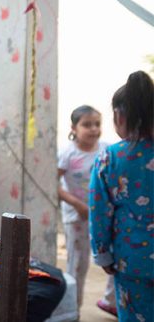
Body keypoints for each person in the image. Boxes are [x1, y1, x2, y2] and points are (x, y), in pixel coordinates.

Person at [89, 71, 154, 322]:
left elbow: (99, 212)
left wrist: (102, 253)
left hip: (131, 262)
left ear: (119, 115)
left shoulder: (110, 158)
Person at [56, 105, 116, 314]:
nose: (93, 129)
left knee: (116, 259)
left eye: (97, 124)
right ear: (74, 127)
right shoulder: (66, 154)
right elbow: (52, 185)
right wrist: (77, 205)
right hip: (77, 217)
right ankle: (73, 311)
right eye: (87, 124)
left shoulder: (107, 150)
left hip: (105, 217)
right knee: (77, 266)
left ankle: (112, 301)